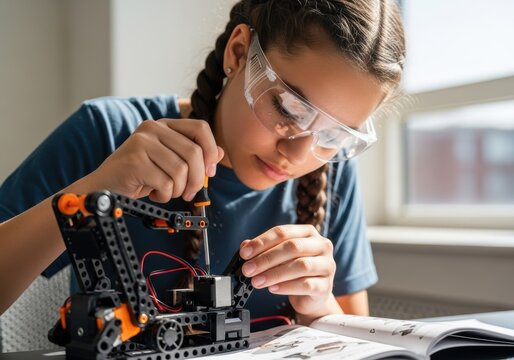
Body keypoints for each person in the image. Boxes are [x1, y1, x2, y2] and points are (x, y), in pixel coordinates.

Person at [0, 0, 405, 329]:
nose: (297, 154)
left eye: (334, 136)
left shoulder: (331, 173)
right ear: (239, 52)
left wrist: (320, 307)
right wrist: (96, 188)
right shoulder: (106, 133)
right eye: (289, 108)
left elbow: (357, 334)